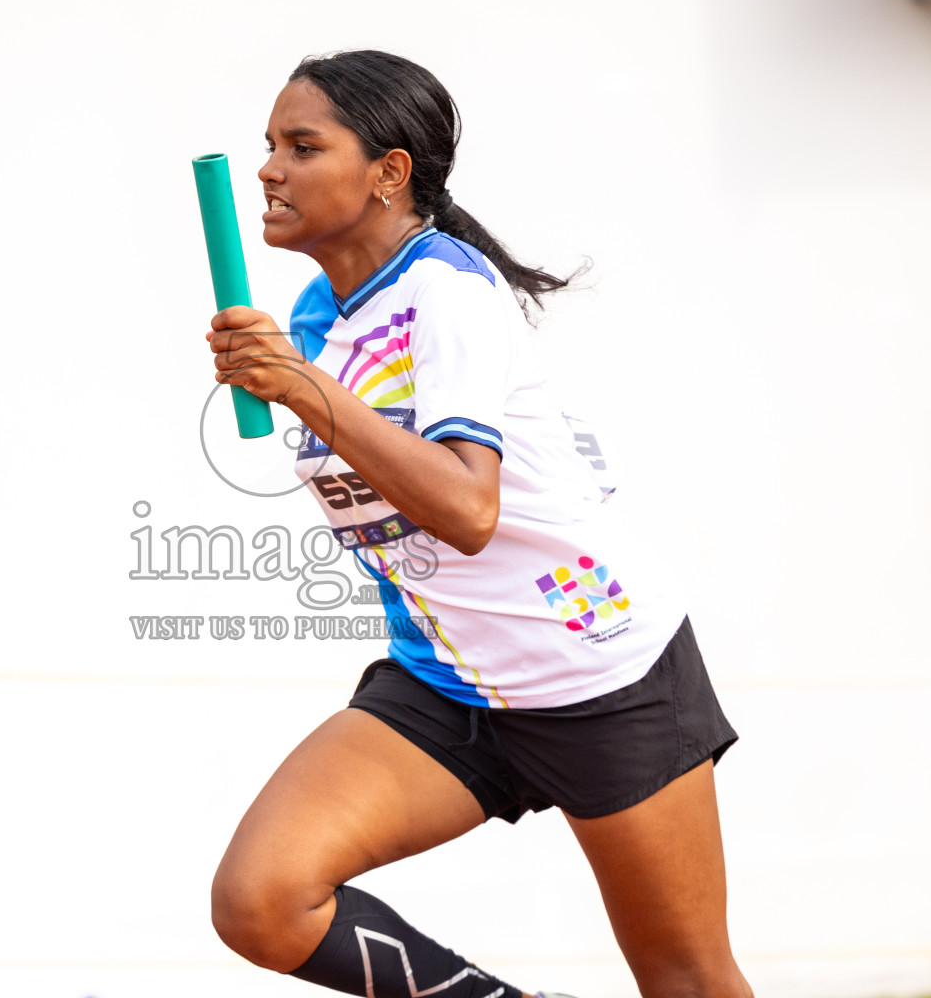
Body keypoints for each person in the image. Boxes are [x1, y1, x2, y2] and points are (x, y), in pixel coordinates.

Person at [203, 50, 750, 998]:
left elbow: (466, 510)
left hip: (595, 669)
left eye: (302, 146)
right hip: (451, 682)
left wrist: (302, 388)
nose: (269, 170)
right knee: (262, 900)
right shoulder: (316, 313)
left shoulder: (447, 291)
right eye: (267, 147)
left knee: (688, 981)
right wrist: (300, 374)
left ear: (389, 171)